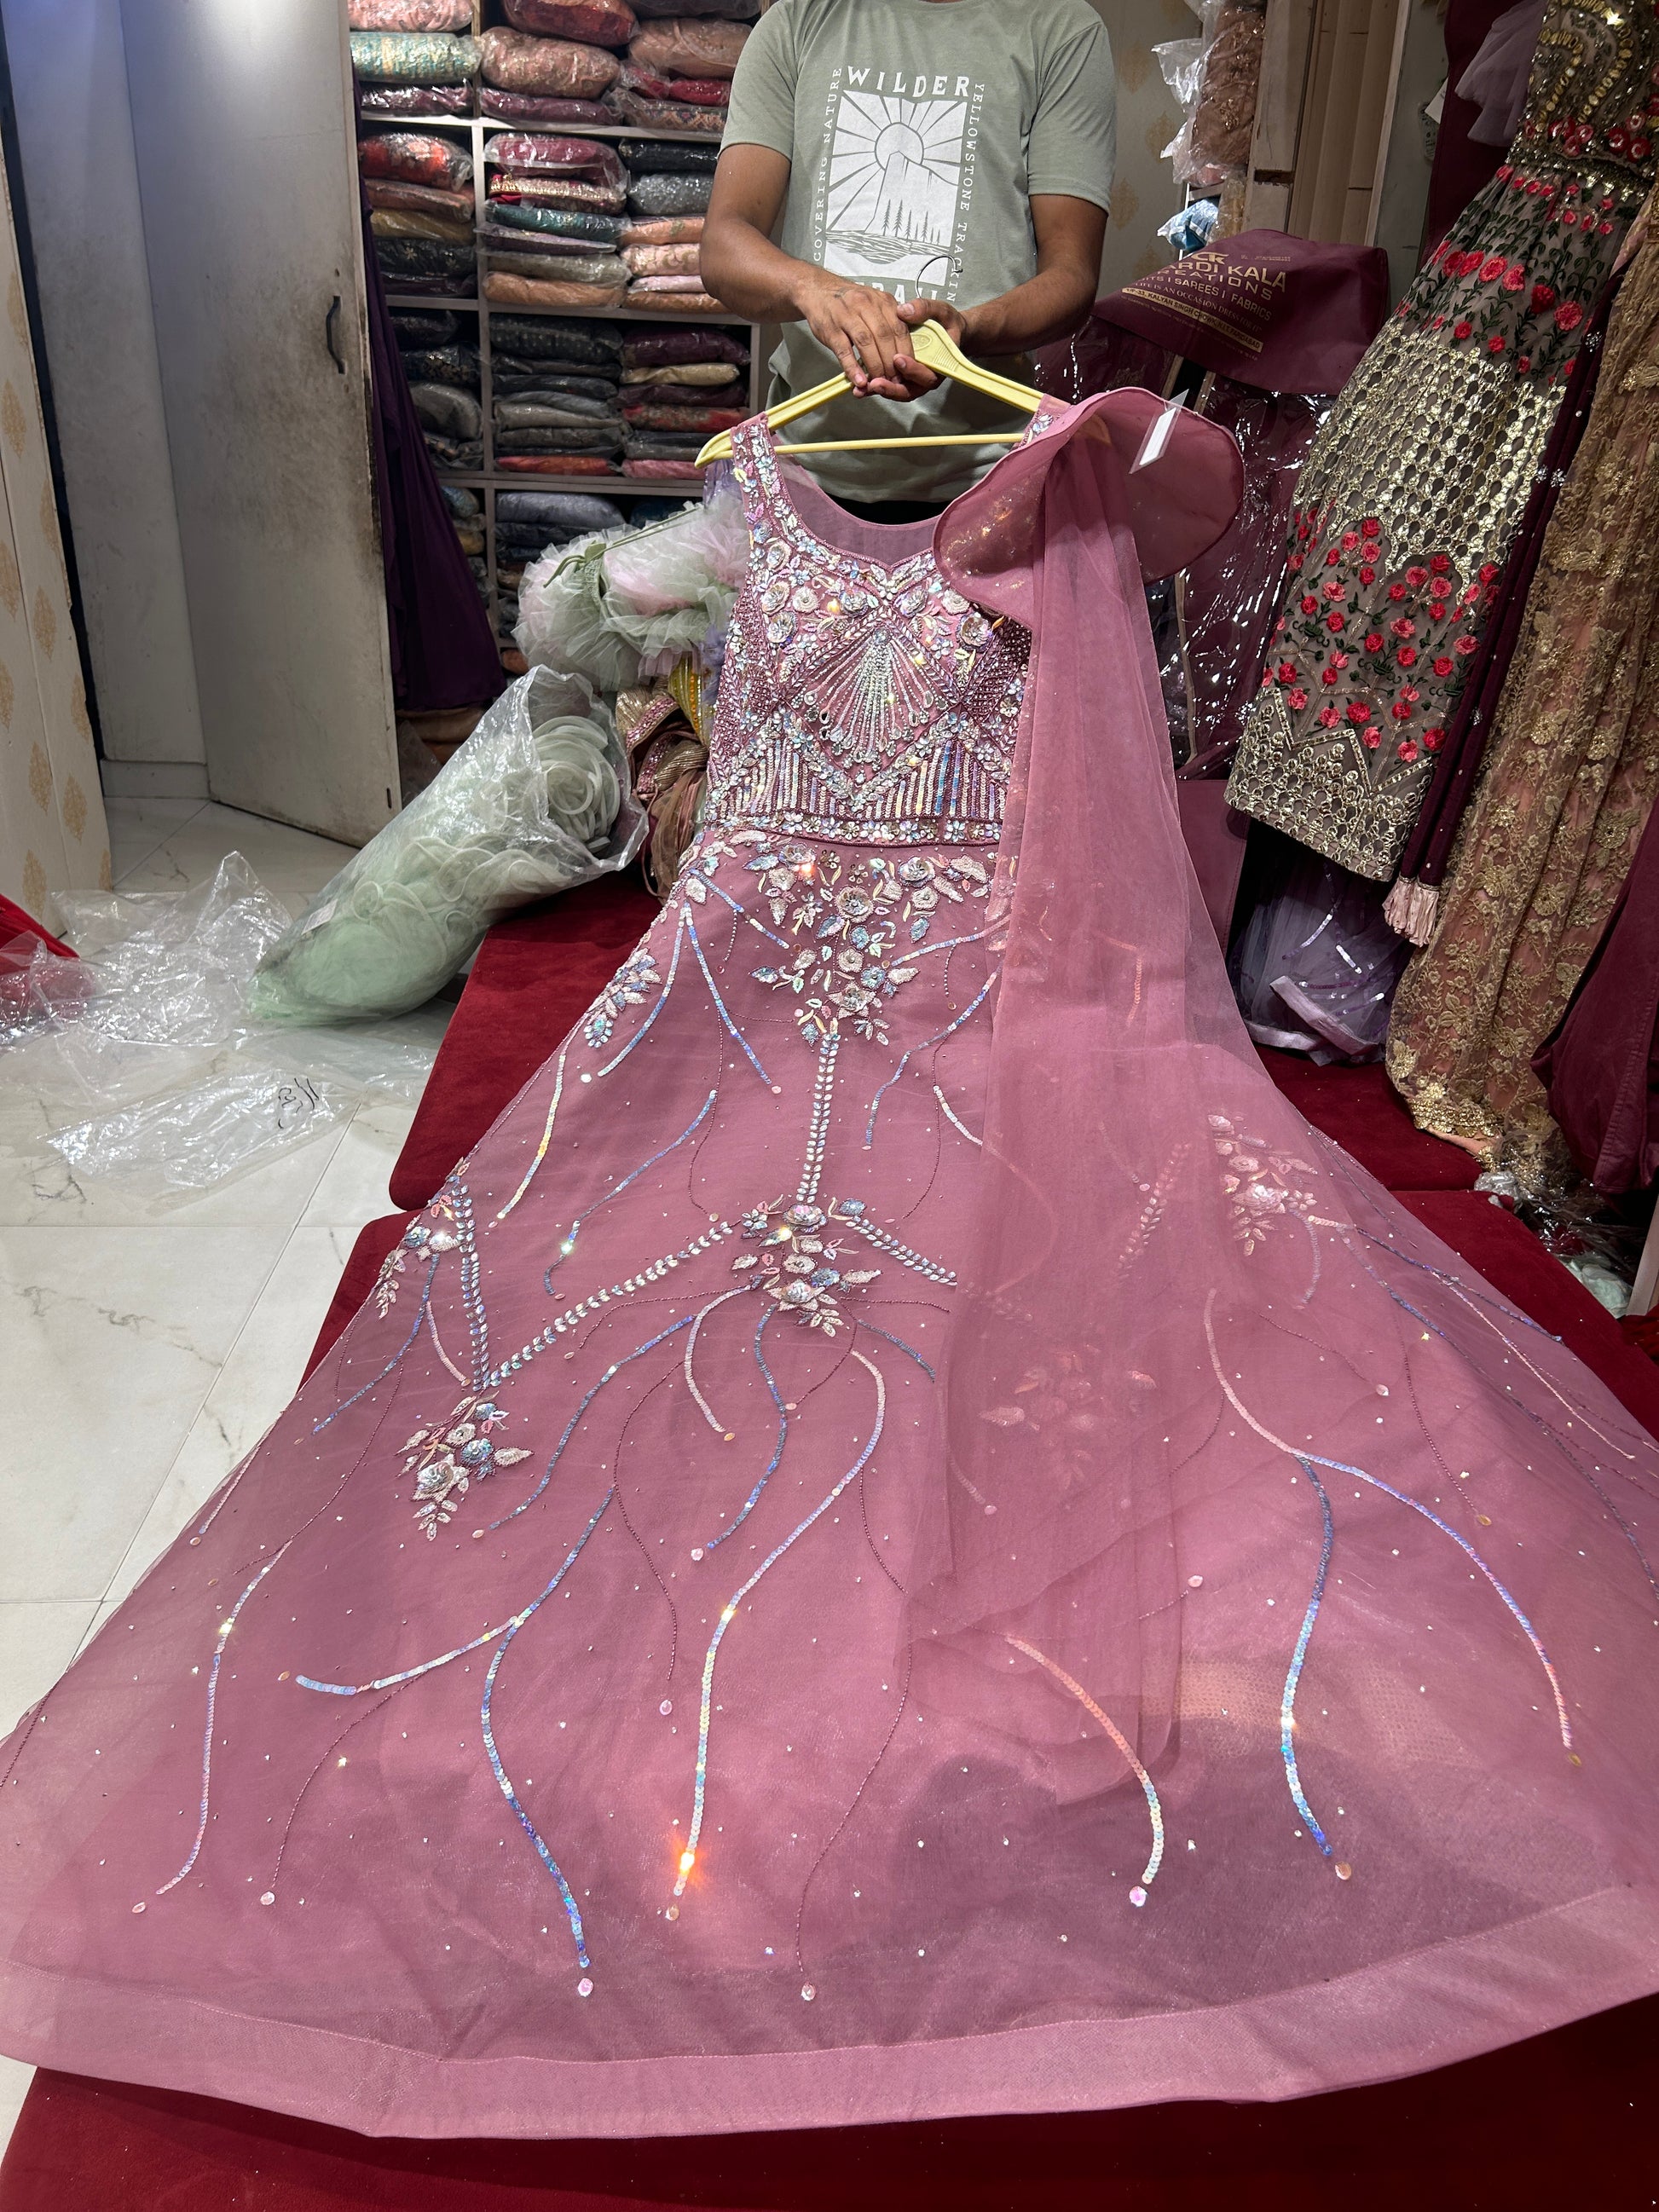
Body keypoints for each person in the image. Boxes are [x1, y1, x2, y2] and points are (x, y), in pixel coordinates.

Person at [700, 0, 1115, 516]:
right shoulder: (796, 21)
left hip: (991, 474)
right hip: (803, 470)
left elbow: (1072, 275)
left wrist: (965, 331)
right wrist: (815, 290)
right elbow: (723, 246)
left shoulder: (1062, 30)